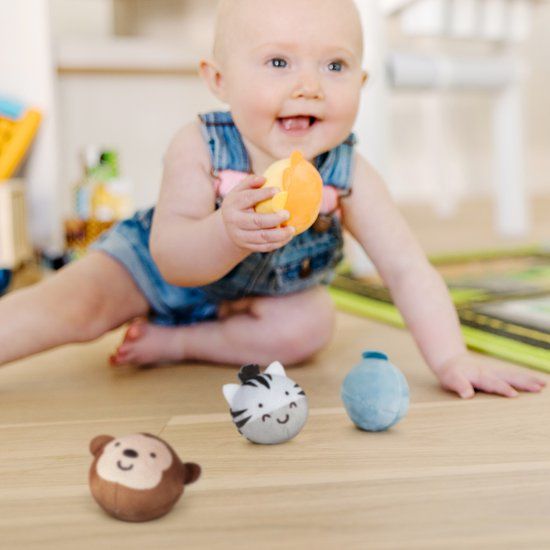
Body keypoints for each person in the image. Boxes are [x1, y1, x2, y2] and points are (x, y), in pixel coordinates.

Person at [0, 0, 544, 399]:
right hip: (153, 270)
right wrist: (226, 232)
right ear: (219, 80)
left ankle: (182, 344)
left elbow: (407, 269)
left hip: (253, 304)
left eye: (335, 66)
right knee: (74, 306)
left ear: (361, 81)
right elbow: (172, 258)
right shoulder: (201, 146)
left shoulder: (347, 174)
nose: (309, 86)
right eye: (279, 63)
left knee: (312, 325)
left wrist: (451, 358)